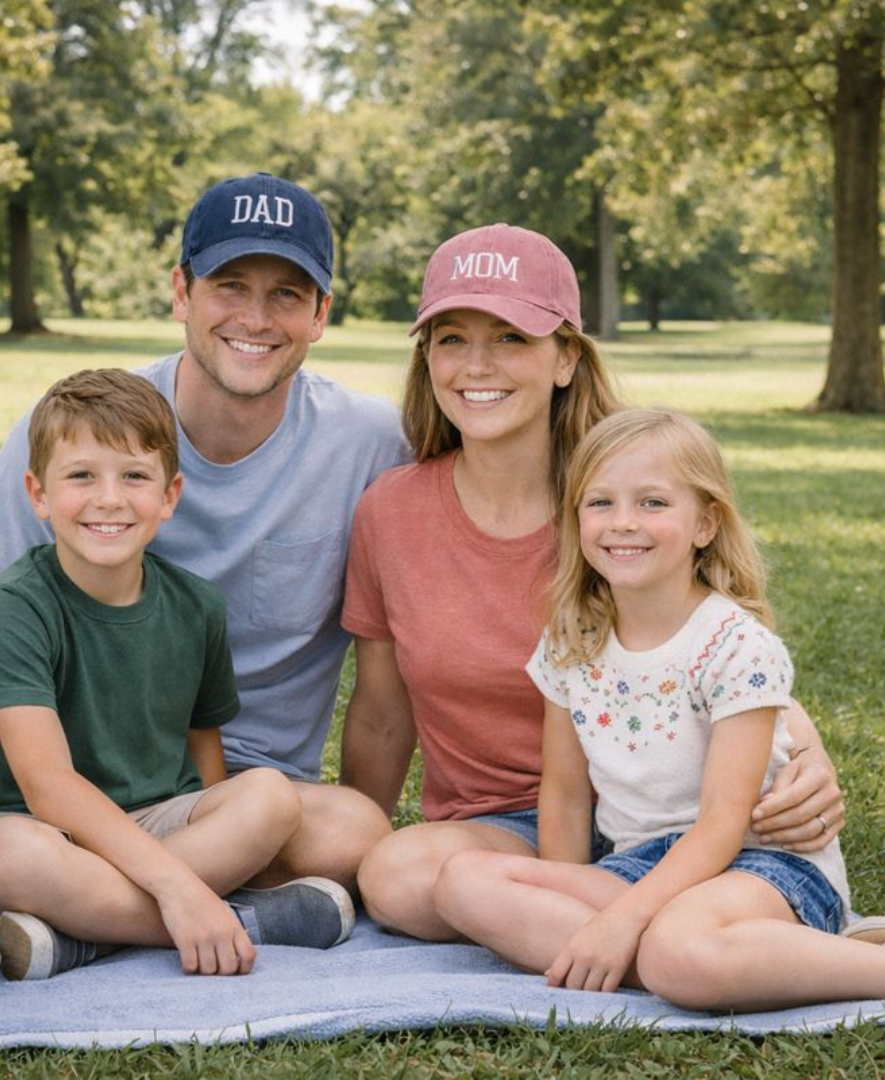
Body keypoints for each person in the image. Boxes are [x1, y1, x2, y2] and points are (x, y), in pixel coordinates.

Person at [340, 224, 847, 942]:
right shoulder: (389, 512)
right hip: (504, 826)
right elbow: (382, 711)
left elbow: (718, 641)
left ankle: (657, 938)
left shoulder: (624, 503)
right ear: (427, 359)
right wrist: (352, 849)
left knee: (445, 892)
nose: (477, 364)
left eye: (512, 337)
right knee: (396, 876)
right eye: (451, 339)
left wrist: (810, 752)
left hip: (674, 812)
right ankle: (685, 947)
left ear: (566, 358)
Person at [0, 173, 409, 892]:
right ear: (182, 292)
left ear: (320, 314)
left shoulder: (371, 443)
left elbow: (392, 658)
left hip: (224, 790)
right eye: (230, 285)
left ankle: (86, 903)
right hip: (46, 764)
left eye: (286, 294)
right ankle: (206, 901)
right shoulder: (74, 433)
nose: (256, 317)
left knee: (358, 833)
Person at [433, 408, 885, 1010]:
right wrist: (576, 902)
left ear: (706, 523)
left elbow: (722, 826)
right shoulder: (571, 640)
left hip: (758, 865)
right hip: (636, 867)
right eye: (600, 503)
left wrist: (618, 920)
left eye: (653, 503)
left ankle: (871, 968)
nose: (623, 523)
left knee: (678, 949)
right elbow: (566, 794)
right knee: (462, 882)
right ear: (575, 519)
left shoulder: (734, 645)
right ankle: (719, 957)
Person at [0, 369, 356, 981]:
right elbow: (48, 787)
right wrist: (184, 888)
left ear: (170, 495)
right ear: (37, 493)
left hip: (153, 820)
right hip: (36, 828)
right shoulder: (14, 607)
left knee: (269, 795)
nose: (109, 498)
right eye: (81, 475)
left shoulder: (196, 605)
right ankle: (242, 921)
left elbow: (202, 746)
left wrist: (211, 827)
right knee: (12, 857)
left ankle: (89, 937)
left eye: (134, 476)